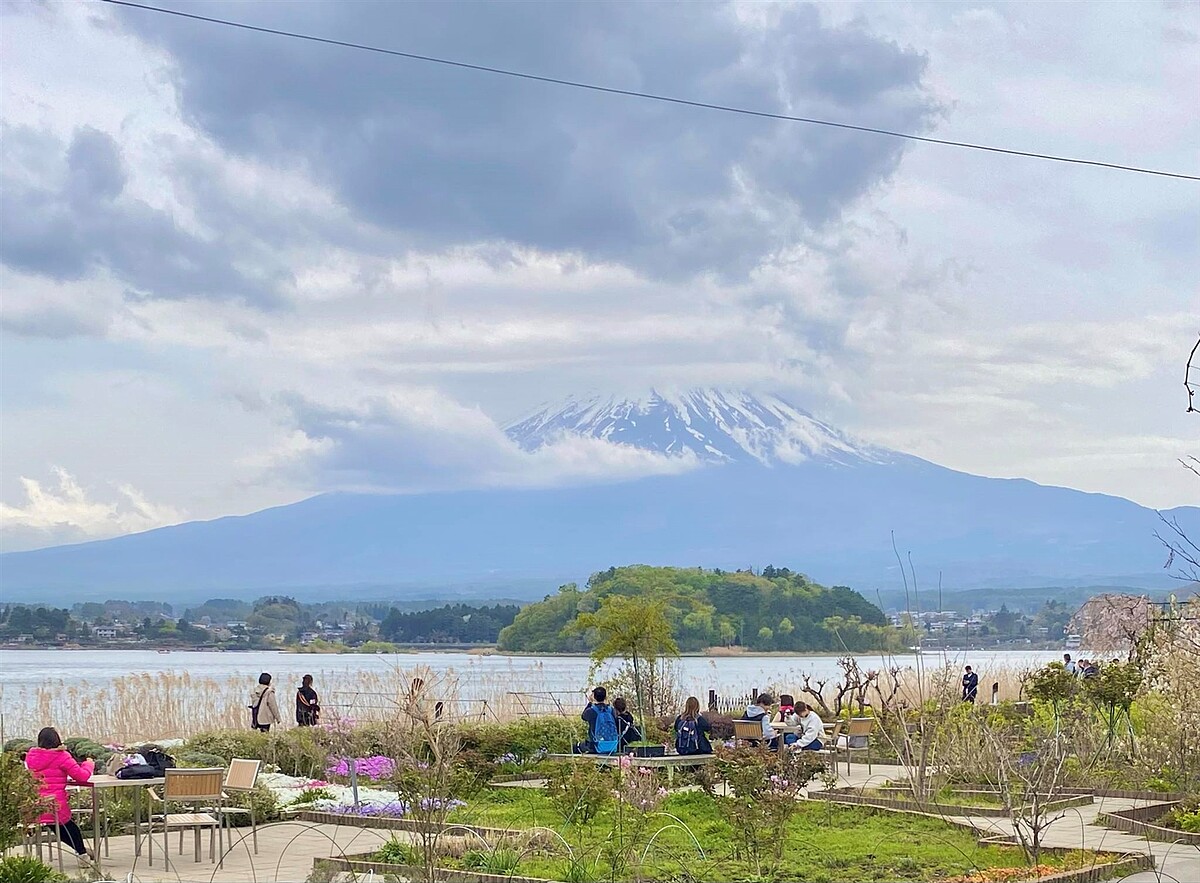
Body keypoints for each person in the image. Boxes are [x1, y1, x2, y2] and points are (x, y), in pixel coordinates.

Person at [25, 727, 97, 870]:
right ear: (57, 740)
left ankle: (83, 852)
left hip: (35, 806)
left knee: (57, 827)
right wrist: (89, 764)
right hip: (55, 805)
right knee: (70, 828)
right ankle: (83, 854)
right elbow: (82, 776)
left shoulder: (30, 756)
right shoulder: (62, 756)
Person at [576, 686, 621, 754]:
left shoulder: (591, 711)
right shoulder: (611, 710)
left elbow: (583, 717)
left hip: (596, 746)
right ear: (605, 697)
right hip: (613, 745)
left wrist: (590, 702)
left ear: (594, 696)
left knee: (576, 747)